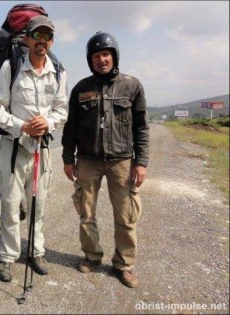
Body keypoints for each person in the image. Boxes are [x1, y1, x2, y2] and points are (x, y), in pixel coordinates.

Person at [61, 31, 150, 288]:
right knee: (85, 212)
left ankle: (124, 264)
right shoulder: (81, 88)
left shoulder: (132, 86)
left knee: (125, 216)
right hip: (87, 161)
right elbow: (71, 128)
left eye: (106, 54)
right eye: (97, 55)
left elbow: (142, 128)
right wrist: (69, 158)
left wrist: (141, 162)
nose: (102, 59)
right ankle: (92, 256)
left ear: (114, 56)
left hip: (122, 162)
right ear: (91, 60)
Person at [0, 15, 68, 282]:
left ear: (51, 41)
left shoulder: (58, 71)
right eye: (37, 35)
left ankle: (35, 252)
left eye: (47, 36)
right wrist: (22, 126)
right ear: (27, 39)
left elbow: (62, 110)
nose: (41, 41)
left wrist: (48, 122)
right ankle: (8, 257)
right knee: (11, 205)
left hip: (41, 149)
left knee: (39, 204)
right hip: (13, 147)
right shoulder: (10, 68)